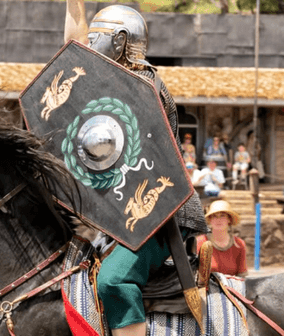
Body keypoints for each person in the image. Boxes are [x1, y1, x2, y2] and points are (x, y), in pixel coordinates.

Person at [65, 2, 208, 335]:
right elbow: (72, 55)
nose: (89, 46)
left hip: (161, 215)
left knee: (113, 281)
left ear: (119, 41)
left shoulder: (144, 85)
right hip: (124, 215)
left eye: (96, 38)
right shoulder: (113, 83)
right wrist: (74, 6)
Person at [195, 200, 248, 277]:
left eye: (222, 216)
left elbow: (242, 277)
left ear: (229, 219)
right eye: (214, 216)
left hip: (232, 288)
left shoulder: (239, 244)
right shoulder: (200, 243)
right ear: (210, 220)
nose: (218, 220)